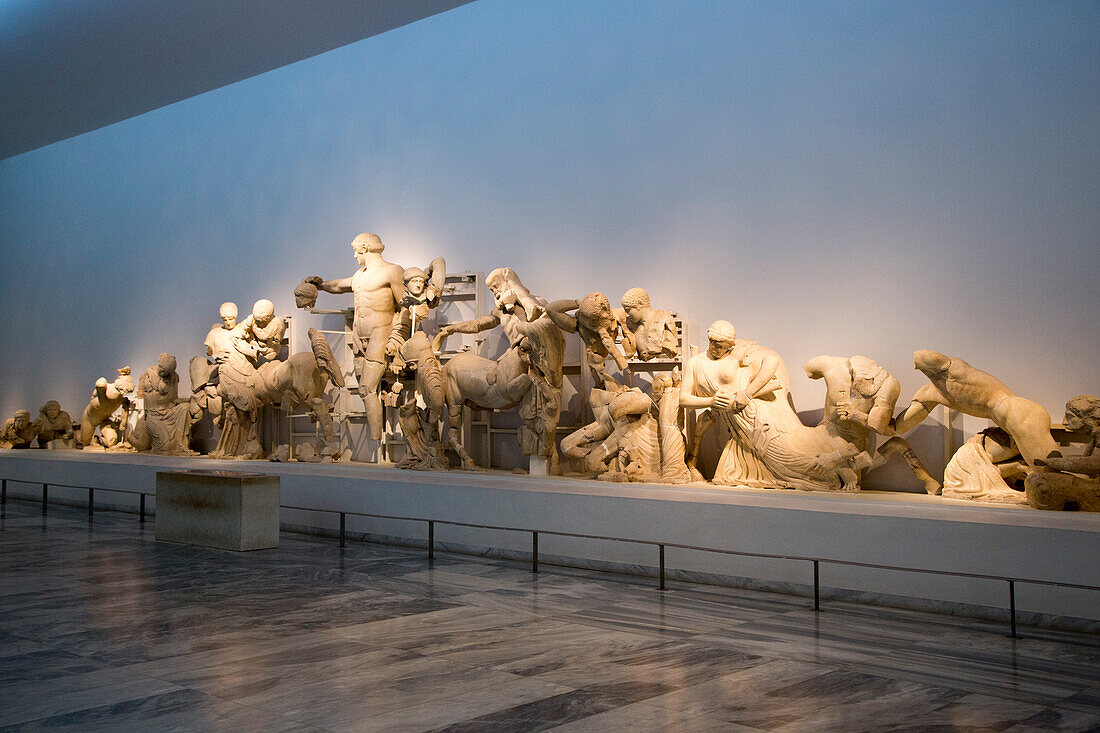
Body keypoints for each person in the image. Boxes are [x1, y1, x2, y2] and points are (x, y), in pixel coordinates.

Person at [300, 233, 442, 443]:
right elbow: (340, 286)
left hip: (380, 335)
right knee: (365, 390)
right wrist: (321, 285)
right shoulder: (360, 275)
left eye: (356, 251)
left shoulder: (392, 271)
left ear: (365, 248)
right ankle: (376, 444)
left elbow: (405, 305)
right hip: (360, 338)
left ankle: (376, 441)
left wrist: (397, 339)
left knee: (366, 388)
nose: (355, 255)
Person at [680, 321, 852, 491]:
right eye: (713, 343)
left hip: (756, 419)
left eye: (721, 345)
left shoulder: (738, 354)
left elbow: (771, 361)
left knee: (787, 462)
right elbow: (684, 399)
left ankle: (840, 460)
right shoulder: (696, 362)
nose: (715, 348)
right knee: (727, 476)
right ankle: (839, 458)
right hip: (737, 431)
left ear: (730, 345)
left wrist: (747, 393)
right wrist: (710, 401)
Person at [438, 267, 565, 472]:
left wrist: (517, 301)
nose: (495, 292)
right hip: (515, 356)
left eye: (496, 286)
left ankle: (550, 458)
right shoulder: (500, 310)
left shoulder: (536, 301)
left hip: (535, 360)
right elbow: (480, 324)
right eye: (491, 290)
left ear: (509, 282)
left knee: (544, 410)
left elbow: (540, 325)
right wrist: (453, 328)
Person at [619, 287, 679, 361]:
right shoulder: (630, 324)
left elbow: (672, 346)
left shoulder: (663, 317)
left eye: (628, 310)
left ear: (639, 305)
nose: (627, 314)